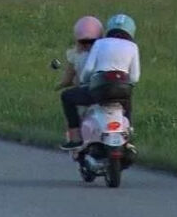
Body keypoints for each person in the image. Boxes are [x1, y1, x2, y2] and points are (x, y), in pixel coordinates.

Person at [60, 13, 140, 150]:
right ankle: (128, 134)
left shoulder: (100, 44)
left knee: (66, 97)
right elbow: (134, 77)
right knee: (126, 102)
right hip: (122, 90)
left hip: (100, 90)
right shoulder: (133, 47)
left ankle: (75, 138)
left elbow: (88, 70)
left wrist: (86, 80)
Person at [56, 15, 104, 91]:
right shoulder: (104, 54)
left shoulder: (75, 55)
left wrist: (58, 87)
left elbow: (67, 80)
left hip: (83, 93)